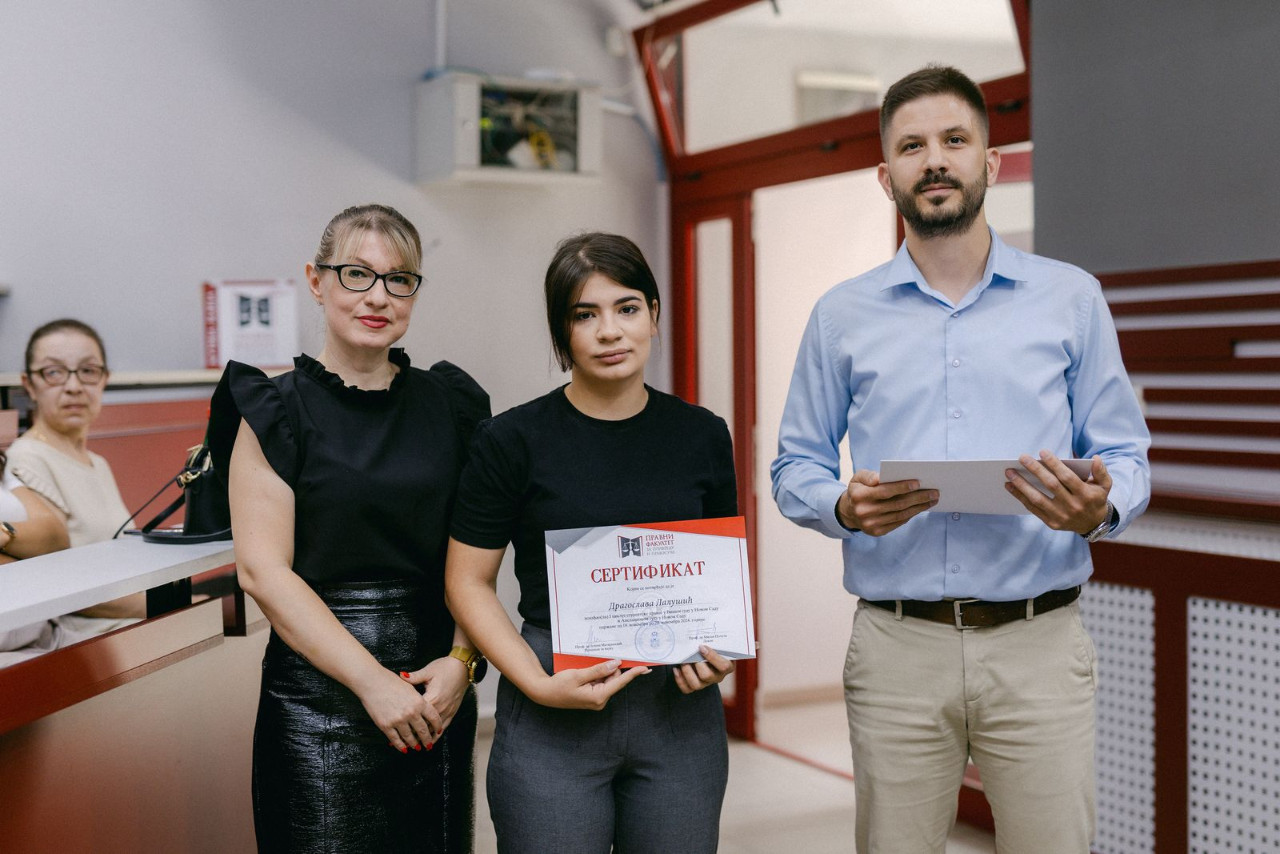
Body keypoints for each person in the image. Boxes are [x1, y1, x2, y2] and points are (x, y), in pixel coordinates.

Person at [770, 66, 1151, 853]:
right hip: (896, 650)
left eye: (954, 140)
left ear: (991, 162)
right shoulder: (840, 316)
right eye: (912, 146)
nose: (935, 160)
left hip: (1039, 644)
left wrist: (1102, 507)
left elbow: (1124, 452)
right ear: (887, 177)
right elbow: (794, 465)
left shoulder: (1071, 299)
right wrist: (842, 506)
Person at [445, 232, 738, 854]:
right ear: (562, 332)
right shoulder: (510, 440)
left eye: (627, 308)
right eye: (585, 315)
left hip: (678, 711)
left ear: (653, 315)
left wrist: (722, 651)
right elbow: (466, 581)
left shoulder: (703, 435)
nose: (609, 331)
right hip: (552, 700)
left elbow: (717, 574)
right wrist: (535, 682)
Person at [217, 204, 490, 852]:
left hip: (436, 691)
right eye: (357, 274)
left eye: (399, 279)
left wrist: (463, 660)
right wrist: (372, 683)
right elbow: (262, 572)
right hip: (319, 704)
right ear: (317, 281)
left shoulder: (452, 405)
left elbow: (476, 553)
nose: (378, 296)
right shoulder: (275, 410)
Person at [6, 319, 144, 624]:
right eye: (53, 372)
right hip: (86, 638)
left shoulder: (97, 462)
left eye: (88, 371)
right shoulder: (24, 460)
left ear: (104, 379)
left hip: (133, 625)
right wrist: (171, 605)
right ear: (29, 385)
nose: (73, 387)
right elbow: (57, 587)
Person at [0, 447, 73, 664]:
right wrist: (28, 551)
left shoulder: (3, 469)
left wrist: (3, 533)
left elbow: (56, 536)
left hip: (44, 632)